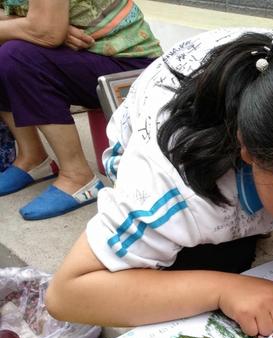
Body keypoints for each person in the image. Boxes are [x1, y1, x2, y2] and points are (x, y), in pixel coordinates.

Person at [45, 28, 273, 337]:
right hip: (179, 135)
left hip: (270, 101)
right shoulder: (174, 187)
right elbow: (68, 294)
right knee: (216, 270)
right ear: (249, 149)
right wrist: (223, 289)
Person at [0, 0, 161, 220]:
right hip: (82, 54)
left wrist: (42, 27)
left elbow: (45, 33)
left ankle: (78, 177)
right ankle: (33, 158)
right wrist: (36, 26)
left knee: (16, 55)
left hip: (129, 68)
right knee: (12, 47)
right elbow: (41, 28)